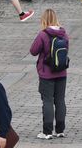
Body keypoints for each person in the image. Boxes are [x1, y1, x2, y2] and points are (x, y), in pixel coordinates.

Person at [29, 8, 68, 140]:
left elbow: (33, 51)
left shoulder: (43, 34)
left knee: (47, 101)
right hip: (62, 72)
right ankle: (60, 130)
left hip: (47, 74)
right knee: (60, 100)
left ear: (44, 20)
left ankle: (47, 132)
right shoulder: (64, 33)